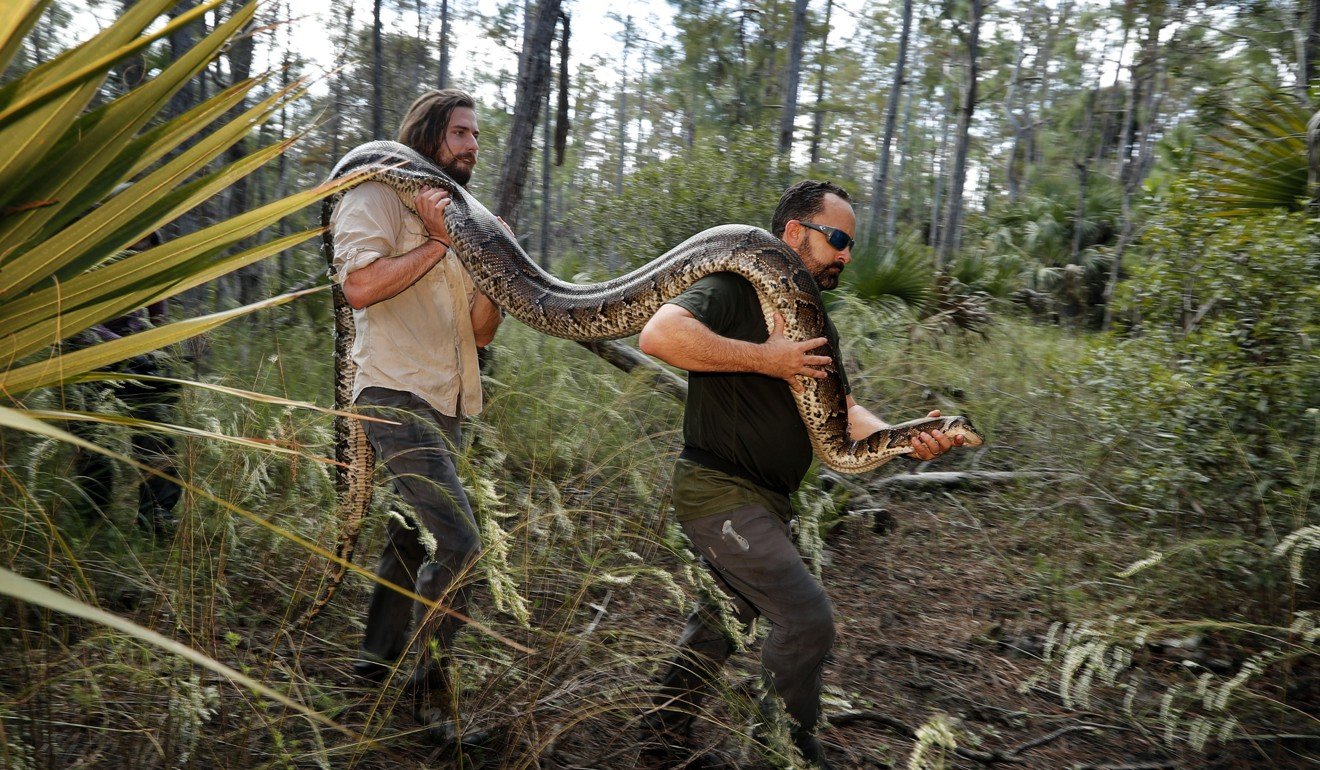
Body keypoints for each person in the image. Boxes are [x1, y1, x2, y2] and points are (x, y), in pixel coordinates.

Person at [636, 180, 963, 769]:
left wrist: (907, 440)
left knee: (722, 619)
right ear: (793, 235)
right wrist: (769, 359)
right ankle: (786, 753)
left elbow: (843, 414)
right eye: (838, 239)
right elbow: (658, 335)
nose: (845, 255)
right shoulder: (735, 285)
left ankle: (660, 737)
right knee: (807, 618)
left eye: (850, 245)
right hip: (719, 490)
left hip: (766, 501)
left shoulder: (812, 320)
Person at [329, 88, 503, 741]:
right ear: (428, 135)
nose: (472, 146)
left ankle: (372, 665)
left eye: (477, 136)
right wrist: (435, 242)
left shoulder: (465, 218)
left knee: (411, 532)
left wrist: (496, 274)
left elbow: (481, 335)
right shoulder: (375, 193)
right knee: (460, 541)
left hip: (446, 399)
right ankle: (429, 702)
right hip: (395, 394)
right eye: (461, 133)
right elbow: (361, 286)